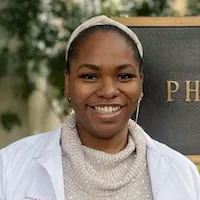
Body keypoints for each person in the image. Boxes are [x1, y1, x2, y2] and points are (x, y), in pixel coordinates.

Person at [0, 15, 199, 200]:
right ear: (68, 83)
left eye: (124, 76)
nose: (108, 90)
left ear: (140, 84)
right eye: (89, 76)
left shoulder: (182, 173)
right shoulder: (10, 166)